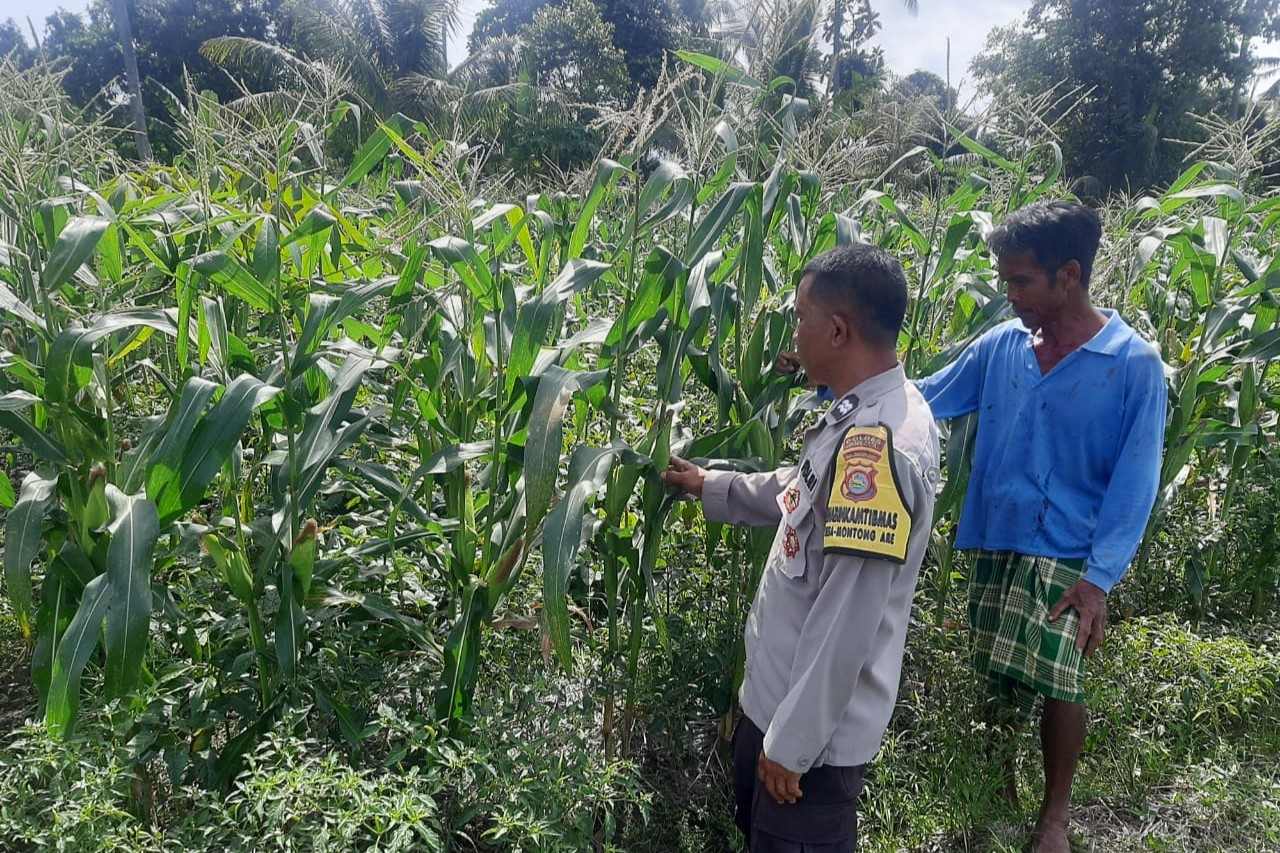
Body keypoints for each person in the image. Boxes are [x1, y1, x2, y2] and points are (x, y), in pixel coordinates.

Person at [663, 243, 940, 852]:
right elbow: (804, 491)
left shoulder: (882, 447)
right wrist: (714, 486)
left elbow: (848, 618)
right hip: (776, 709)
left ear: (838, 330)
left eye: (800, 317)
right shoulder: (861, 416)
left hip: (808, 746)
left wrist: (789, 747)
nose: (794, 331)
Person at [914, 201, 1167, 853]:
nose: (1009, 293)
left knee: (1059, 680)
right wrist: (838, 381)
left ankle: (1054, 816)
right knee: (997, 675)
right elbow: (926, 397)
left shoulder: (1131, 363)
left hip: (1069, 553)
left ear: (1070, 275)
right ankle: (996, 793)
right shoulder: (1003, 345)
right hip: (996, 535)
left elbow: (1135, 481)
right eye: (1006, 279)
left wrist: (1099, 579)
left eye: (1022, 281)